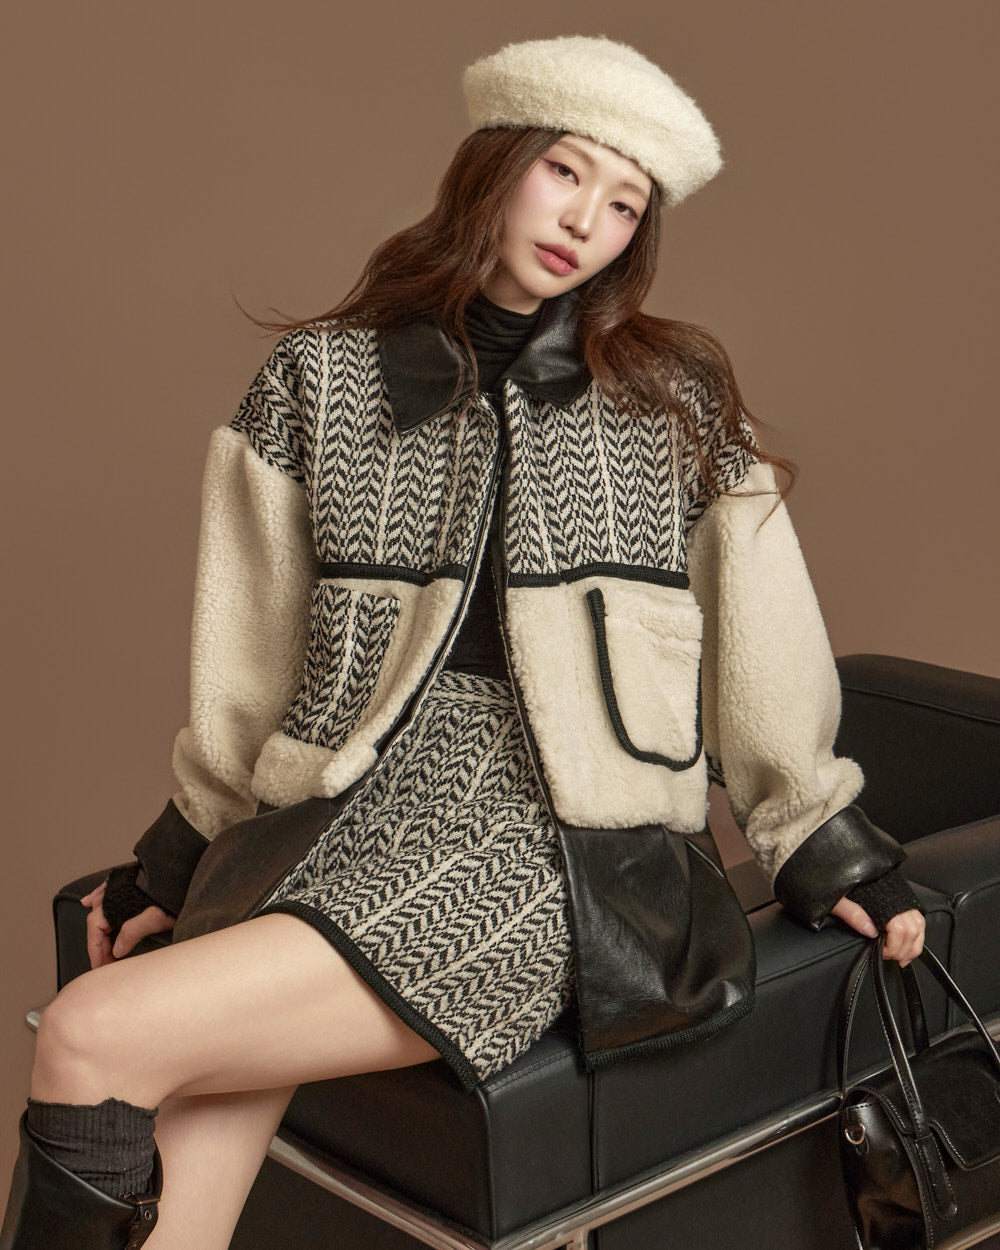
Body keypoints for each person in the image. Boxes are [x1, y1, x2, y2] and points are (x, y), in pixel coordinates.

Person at [0, 35, 925, 1250]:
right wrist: (177, 857)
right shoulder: (317, 380)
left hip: (555, 843)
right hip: (337, 811)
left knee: (92, 1031)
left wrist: (822, 840)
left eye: (623, 202)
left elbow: (767, 647)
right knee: (183, 1174)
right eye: (564, 171)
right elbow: (249, 669)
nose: (585, 219)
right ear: (495, 164)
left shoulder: (673, 394)